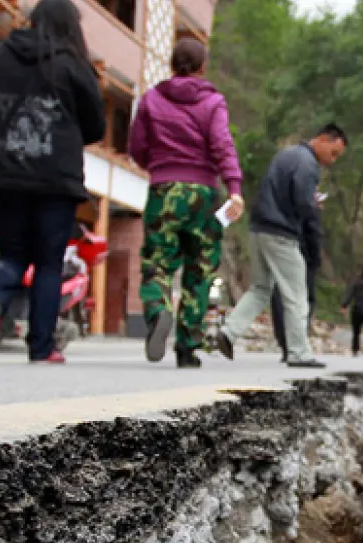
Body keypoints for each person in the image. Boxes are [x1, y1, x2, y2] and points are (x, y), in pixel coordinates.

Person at [0, 0, 105, 364]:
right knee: (48, 263)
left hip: (8, 174)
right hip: (56, 181)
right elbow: (96, 126)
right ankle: (41, 346)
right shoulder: (74, 65)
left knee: (12, 253)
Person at [129, 37, 244, 368]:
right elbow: (222, 145)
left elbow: (136, 146)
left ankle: (158, 311)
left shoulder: (151, 99)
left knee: (157, 261)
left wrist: (159, 167)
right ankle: (187, 346)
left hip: (164, 189)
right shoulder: (213, 102)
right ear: (203, 67)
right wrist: (233, 186)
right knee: (200, 266)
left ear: (171, 65)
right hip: (204, 194)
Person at [215, 124, 349, 368]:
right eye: (334, 153)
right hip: (281, 233)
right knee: (296, 293)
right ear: (323, 139)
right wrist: (311, 208)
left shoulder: (286, 155)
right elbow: (301, 201)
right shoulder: (308, 164)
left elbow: (280, 191)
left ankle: (228, 332)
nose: (332, 160)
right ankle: (299, 353)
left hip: (258, 229)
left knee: (260, 288)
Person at [270, 191, 323, 363]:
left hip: (279, 255)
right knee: (302, 301)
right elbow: (314, 235)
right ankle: (297, 345)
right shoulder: (308, 211)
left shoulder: (278, 207)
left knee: (280, 299)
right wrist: (315, 259)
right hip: (303, 259)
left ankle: (285, 344)